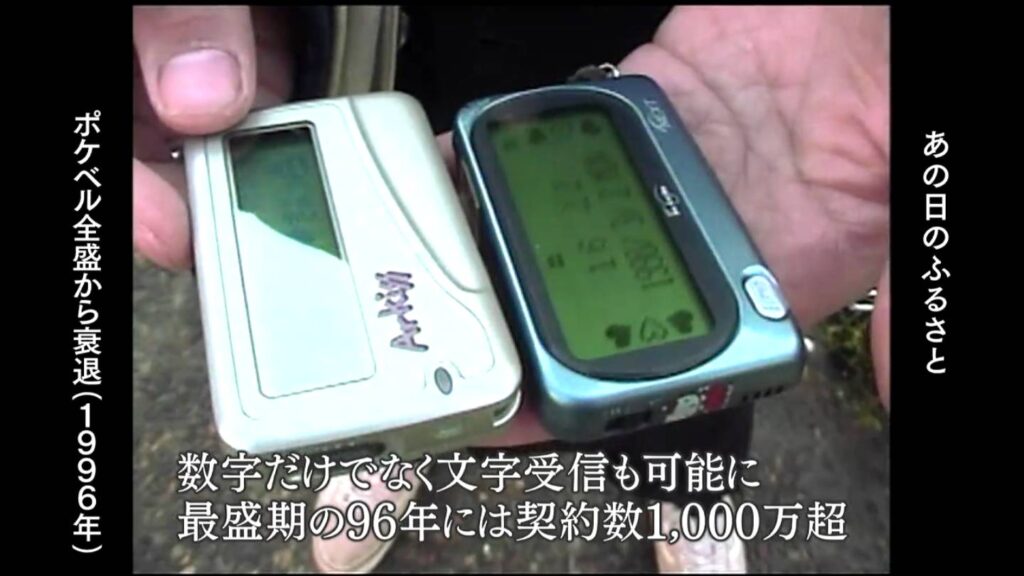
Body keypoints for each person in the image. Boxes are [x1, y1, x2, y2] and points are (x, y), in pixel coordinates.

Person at [133, 6, 890, 572]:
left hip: (668, 34)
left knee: (688, 381)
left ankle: (690, 495)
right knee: (403, 203)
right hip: (431, 34)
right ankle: (400, 433)